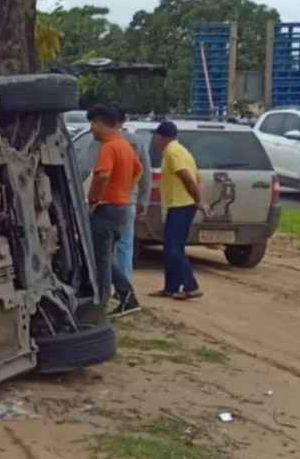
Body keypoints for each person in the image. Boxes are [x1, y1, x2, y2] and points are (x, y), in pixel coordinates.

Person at [85, 103, 144, 317]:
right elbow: (140, 170)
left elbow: (102, 175)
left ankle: (100, 305)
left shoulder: (109, 147)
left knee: (100, 260)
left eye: (92, 124)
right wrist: (126, 190)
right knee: (106, 257)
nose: (91, 129)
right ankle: (127, 296)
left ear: (100, 124)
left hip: (106, 209)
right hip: (121, 207)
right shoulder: (125, 145)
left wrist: (93, 198)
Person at [150, 121, 211, 300]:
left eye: (157, 138)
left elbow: (188, 179)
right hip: (181, 204)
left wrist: (198, 201)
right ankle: (171, 287)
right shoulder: (183, 151)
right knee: (171, 248)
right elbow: (198, 178)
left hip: (181, 205)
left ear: (161, 138)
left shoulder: (172, 152)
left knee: (174, 248)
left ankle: (191, 286)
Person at [112, 110, 152, 291]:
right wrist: (143, 200)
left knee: (105, 245)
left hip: (108, 200)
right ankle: (125, 286)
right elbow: (145, 172)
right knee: (125, 246)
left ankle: (109, 286)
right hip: (130, 201)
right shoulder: (136, 142)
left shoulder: (105, 140)